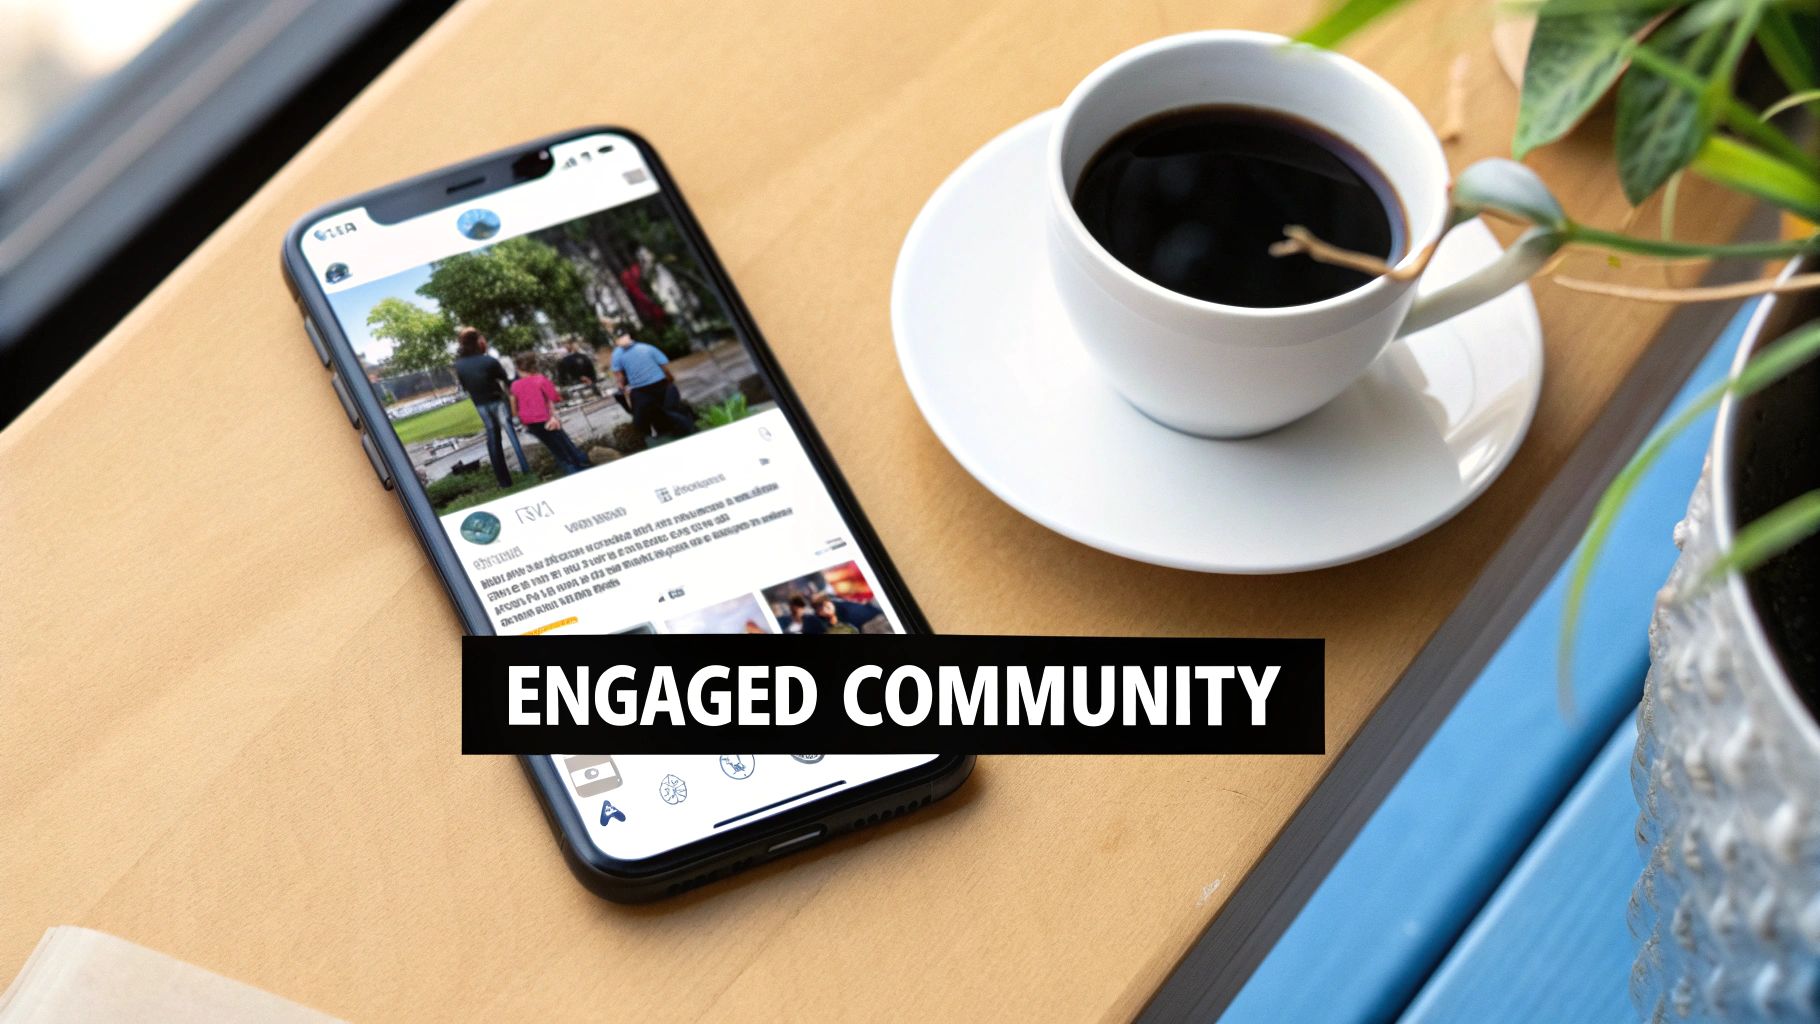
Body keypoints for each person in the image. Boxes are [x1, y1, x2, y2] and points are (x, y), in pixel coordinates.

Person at [452, 327, 524, 488]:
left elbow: (465, 386)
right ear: (477, 341)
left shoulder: (459, 365)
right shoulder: (488, 361)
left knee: (493, 438)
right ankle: (525, 468)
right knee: (511, 432)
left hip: (480, 404)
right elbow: (505, 379)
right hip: (496, 400)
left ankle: (504, 481)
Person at [508, 353, 592, 475]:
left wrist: (518, 419)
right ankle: (579, 464)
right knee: (563, 442)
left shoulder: (515, 385)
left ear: (518, 369)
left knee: (554, 446)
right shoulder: (540, 379)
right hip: (546, 419)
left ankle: (573, 465)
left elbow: (514, 405)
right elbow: (554, 397)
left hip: (530, 422)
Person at [609, 332, 697, 440]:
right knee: (669, 411)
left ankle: (660, 433)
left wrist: (621, 387)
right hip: (658, 385)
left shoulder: (618, 354)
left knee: (645, 419)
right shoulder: (647, 348)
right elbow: (665, 368)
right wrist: (670, 381)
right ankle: (682, 429)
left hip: (644, 389)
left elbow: (619, 377)